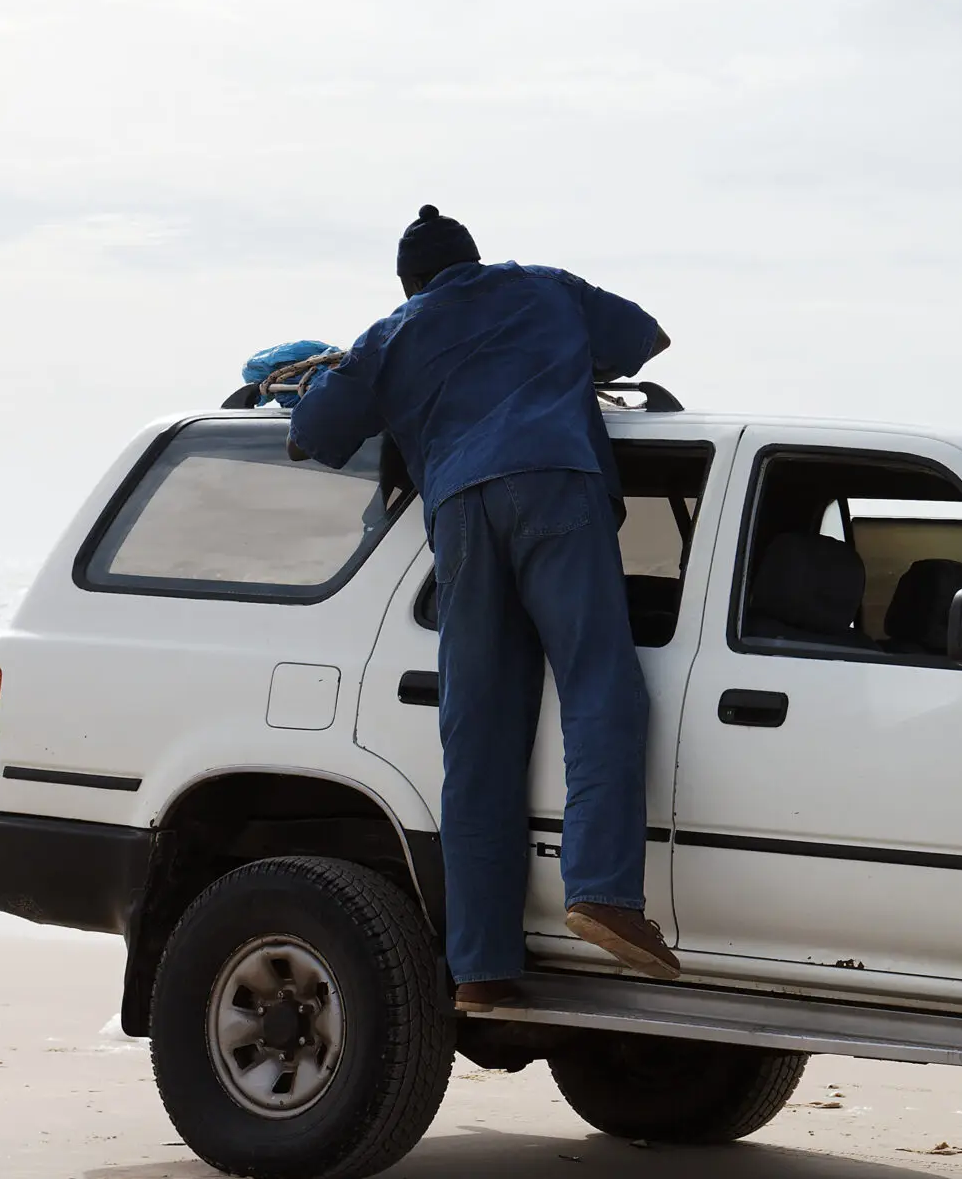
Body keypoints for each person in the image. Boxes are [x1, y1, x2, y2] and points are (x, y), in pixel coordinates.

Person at [287, 205, 680, 1009]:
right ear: (474, 259)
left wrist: (347, 375)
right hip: (554, 487)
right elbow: (646, 337)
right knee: (598, 686)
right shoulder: (543, 288)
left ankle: (482, 966)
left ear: (411, 283)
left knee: (478, 735)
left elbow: (312, 432)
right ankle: (602, 890)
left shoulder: (392, 334)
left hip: (463, 515)